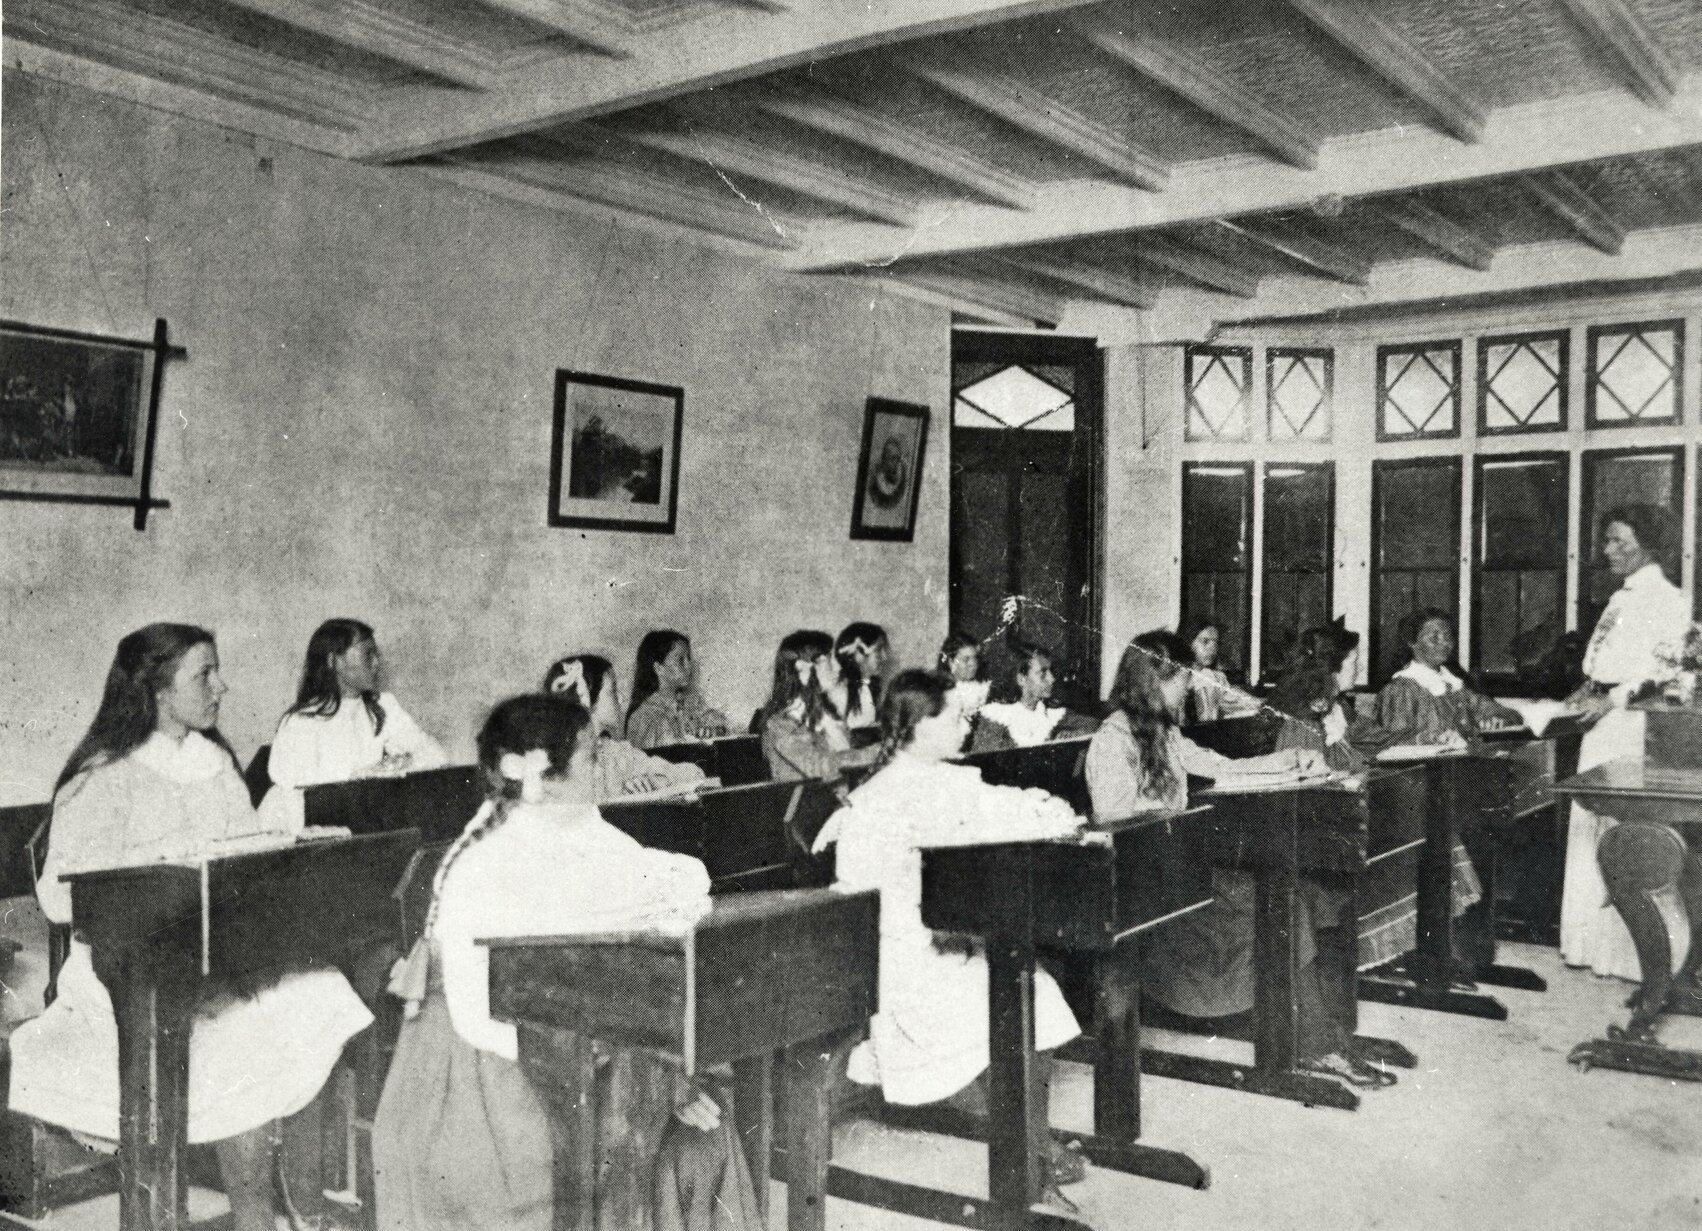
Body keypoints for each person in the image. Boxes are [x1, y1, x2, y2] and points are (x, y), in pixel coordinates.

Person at [9, 624, 374, 1231]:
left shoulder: (216, 764)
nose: (220, 687)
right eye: (204, 675)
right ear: (155, 688)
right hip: (125, 971)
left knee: (320, 994)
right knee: (243, 1037)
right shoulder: (103, 775)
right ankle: (256, 1218)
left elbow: (248, 861)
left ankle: (308, 1211)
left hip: (220, 953)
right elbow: (58, 897)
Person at [372, 692, 760, 1231]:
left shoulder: (577, 825)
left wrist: (653, 1076)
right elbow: (493, 1023)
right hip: (488, 1070)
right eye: (591, 758)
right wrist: (646, 1079)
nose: (600, 770)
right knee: (625, 1152)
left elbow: (684, 881)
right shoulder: (492, 860)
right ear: (545, 776)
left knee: (705, 1134)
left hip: (577, 1042)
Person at [811, 670, 1088, 1191]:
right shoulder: (900, 790)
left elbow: (995, 805)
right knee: (1023, 992)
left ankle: (1029, 1139)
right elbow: (993, 819)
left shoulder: (931, 778)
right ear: (919, 725)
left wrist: (1039, 808)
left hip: (936, 942)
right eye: (953, 716)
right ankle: (1027, 1154)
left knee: (1034, 988)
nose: (966, 725)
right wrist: (1044, 813)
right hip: (899, 964)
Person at [1086, 632, 1391, 1088]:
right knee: (1281, 906)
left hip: (1180, 876)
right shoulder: (1113, 741)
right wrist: (1178, 818)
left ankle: (1318, 1036)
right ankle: (1315, 1044)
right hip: (1150, 900)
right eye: (1180, 681)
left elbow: (1219, 764)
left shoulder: (1163, 732)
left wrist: (1287, 760)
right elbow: (1118, 828)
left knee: (1296, 898)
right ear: (1150, 682)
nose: (1188, 690)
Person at [1560, 505, 1692, 979]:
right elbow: (1607, 660)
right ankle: (1598, 951)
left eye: (1620, 541)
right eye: (1607, 541)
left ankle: (1644, 960)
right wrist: (1588, 688)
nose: (1608, 550)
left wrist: (1611, 697)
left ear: (1648, 543)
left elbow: (1663, 669)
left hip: (1629, 725)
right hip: (1602, 723)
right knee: (1595, 828)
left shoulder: (1666, 598)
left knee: (1624, 834)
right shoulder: (1623, 597)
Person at [260, 619, 447, 827]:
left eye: (376, 655)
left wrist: (387, 768)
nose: (376, 663)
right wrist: (371, 774)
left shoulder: (383, 707)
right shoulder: (300, 722)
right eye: (368, 654)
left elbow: (436, 755)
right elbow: (308, 797)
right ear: (334, 662)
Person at [543, 655, 707, 800]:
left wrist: (658, 780)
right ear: (585, 702)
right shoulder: (551, 764)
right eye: (613, 691)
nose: (621, 699)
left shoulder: (615, 753)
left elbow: (694, 773)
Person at [1374, 609, 1521, 744]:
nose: (1444, 643)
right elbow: (1393, 741)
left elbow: (1504, 713)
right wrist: (1431, 738)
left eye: (1448, 636)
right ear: (1412, 642)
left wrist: (1497, 719)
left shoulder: (1454, 685)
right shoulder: (1401, 690)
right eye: (1434, 638)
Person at [758, 630, 880, 781]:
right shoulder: (780, 724)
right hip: (809, 802)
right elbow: (821, 766)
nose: (838, 667)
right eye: (827, 659)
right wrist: (882, 751)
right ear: (801, 669)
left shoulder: (826, 712)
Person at [972, 641, 1098, 751]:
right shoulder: (994, 718)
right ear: (1021, 679)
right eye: (1043, 673)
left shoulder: (1050, 712)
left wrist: (1074, 734)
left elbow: (1098, 725)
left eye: (1050, 672)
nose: (1052, 679)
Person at [625, 630, 729, 749]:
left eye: (688, 659)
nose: (689, 666)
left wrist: (716, 727)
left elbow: (718, 725)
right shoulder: (644, 717)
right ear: (659, 668)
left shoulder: (693, 705)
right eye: (680, 660)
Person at [1180, 617, 1261, 724]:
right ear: (1188, 642)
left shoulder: (1214, 678)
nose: (1212, 648)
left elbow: (1243, 701)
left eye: (1216, 643)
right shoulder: (1175, 677)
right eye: (1205, 641)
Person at [828, 622, 891, 736]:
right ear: (858, 655)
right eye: (878, 650)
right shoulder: (839, 692)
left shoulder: (873, 687)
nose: (885, 657)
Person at [938, 631, 990, 729]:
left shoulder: (984, 691)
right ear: (951, 662)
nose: (973, 664)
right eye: (966, 659)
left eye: (975, 658)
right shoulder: (940, 695)